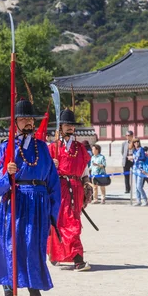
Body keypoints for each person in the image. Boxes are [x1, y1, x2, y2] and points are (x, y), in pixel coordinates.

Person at [0, 100, 61, 296]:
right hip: (16, 202)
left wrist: (53, 211)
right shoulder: (5, 149)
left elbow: (53, 182)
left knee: (34, 248)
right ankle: (28, 290)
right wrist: (6, 173)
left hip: (39, 202)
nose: (28, 122)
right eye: (24, 119)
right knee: (16, 246)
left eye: (31, 119)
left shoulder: (43, 149)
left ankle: (27, 286)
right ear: (15, 122)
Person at [47, 109, 92, 271]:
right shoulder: (53, 148)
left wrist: (87, 185)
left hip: (76, 189)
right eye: (66, 125)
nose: (70, 128)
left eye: (72, 126)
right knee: (60, 223)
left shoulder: (80, 148)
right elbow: (44, 171)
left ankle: (69, 256)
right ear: (60, 127)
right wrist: (52, 166)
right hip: (59, 189)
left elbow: (85, 170)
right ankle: (73, 257)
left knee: (73, 223)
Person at [130, 138, 148, 206]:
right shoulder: (134, 150)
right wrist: (131, 160)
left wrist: (135, 158)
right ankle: (138, 200)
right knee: (136, 186)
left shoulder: (141, 149)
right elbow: (134, 160)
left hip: (141, 169)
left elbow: (143, 158)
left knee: (139, 186)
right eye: (135, 142)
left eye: (137, 142)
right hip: (135, 168)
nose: (136, 143)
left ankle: (145, 200)